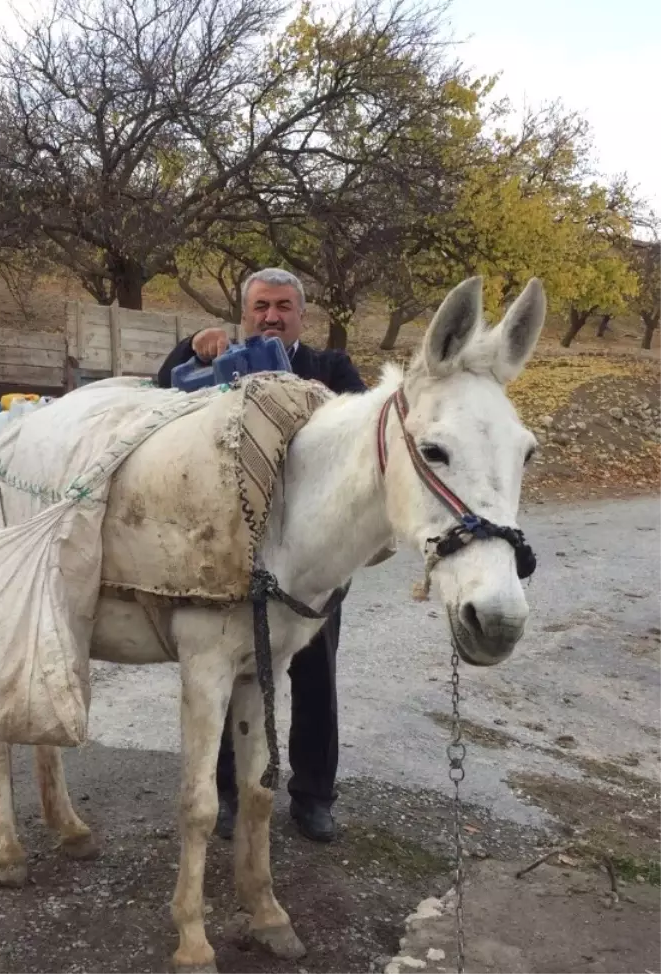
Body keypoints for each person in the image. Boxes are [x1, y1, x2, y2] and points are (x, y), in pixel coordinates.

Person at [157, 267, 366, 844]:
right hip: (237, 553)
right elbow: (161, 398)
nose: (271, 316)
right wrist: (188, 346)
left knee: (315, 678)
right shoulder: (219, 367)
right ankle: (225, 794)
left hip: (315, 564)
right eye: (259, 307)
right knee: (234, 670)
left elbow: (367, 437)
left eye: (283, 306)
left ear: (303, 313)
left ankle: (315, 797)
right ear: (243, 312)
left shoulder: (331, 369)